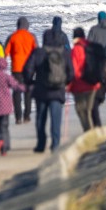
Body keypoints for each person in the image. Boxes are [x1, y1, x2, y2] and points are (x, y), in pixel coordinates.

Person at [28, 25, 74, 153]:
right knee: (56, 119)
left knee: (40, 119)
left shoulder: (39, 52)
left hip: (41, 91)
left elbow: (28, 70)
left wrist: (31, 82)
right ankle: (55, 145)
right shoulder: (64, 53)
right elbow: (71, 73)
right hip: (58, 91)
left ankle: (41, 145)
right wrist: (65, 83)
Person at [0, 56, 26, 154]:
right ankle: (5, 148)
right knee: (4, 127)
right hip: (5, 106)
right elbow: (16, 86)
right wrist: (26, 88)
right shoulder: (7, 77)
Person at [4, 17, 37, 123]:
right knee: (28, 91)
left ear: (17, 25)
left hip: (16, 68)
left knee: (17, 92)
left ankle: (18, 117)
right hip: (29, 69)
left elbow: (4, 53)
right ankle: (27, 116)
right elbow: (36, 52)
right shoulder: (32, 36)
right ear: (27, 25)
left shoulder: (12, 37)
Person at [67, 28, 101, 131]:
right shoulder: (91, 47)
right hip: (93, 84)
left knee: (81, 110)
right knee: (89, 110)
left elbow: (73, 69)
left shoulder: (75, 50)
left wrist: (69, 84)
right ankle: (92, 131)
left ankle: (89, 132)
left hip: (80, 86)